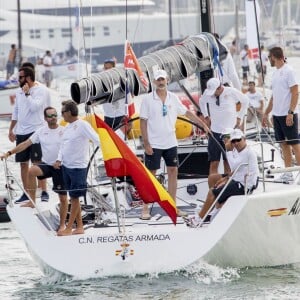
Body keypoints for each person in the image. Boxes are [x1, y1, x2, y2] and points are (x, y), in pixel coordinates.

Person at [140, 69, 209, 219]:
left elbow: (187, 113)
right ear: (154, 81)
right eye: (158, 79)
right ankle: (145, 208)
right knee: (150, 176)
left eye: (163, 79)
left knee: (173, 172)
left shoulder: (173, 97)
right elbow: (143, 121)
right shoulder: (147, 99)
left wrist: (202, 124)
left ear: (167, 80)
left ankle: (173, 206)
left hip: (171, 142)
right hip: (154, 143)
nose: (160, 82)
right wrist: (146, 143)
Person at [1, 107, 68, 233]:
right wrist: (9, 153)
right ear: (45, 119)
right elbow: (25, 144)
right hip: (47, 165)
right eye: (50, 116)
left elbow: (70, 149)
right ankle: (32, 201)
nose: (53, 117)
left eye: (55, 115)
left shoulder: (64, 131)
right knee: (32, 171)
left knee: (63, 198)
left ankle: (63, 225)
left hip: (60, 166)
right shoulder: (41, 131)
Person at [187, 129, 259, 227]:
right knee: (213, 178)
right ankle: (214, 208)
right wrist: (225, 179)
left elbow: (233, 165)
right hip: (237, 179)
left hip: (243, 185)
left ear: (244, 139)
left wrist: (228, 151)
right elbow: (236, 170)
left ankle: (199, 219)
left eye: (238, 140)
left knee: (212, 192)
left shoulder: (248, 152)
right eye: (233, 141)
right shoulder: (238, 151)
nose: (236, 143)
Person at [54, 100, 100, 236]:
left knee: (74, 198)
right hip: (66, 166)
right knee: (73, 198)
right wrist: (58, 159)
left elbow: (97, 139)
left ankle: (69, 227)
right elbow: (63, 146)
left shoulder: (82, 125)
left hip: (78, 167)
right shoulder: (67, 127)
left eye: (62, 112)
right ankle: (79, 226)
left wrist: (107, 156)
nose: (61, 115)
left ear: (69, 112)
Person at [8, 66, 51, 203]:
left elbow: (35, 107)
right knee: (23, 164)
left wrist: (27, 94)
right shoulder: (18, 91)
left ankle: (44, 191)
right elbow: (16, 111)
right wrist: (11, 130)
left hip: (36, 130)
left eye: (20, 77)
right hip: (21, 131)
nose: (18, 79)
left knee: (37, 163)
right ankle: (26, 192)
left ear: (28, 78)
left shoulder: (41, 90)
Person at [262, 47, 300, 182]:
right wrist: (266, 113)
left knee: (294, 144)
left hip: (288, 114)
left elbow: (295, 92)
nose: (268, 60)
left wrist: (290, 112)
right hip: (277, 115)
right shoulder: (276, 73)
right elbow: (274, 96)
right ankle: (289, 173)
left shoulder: (289, 71)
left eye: (269, 57)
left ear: (274, 56)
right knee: (283, 144)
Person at [199, 77, 249, 175]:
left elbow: (245, 100)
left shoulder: (230, 91)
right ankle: (213, 187)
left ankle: (228, 185)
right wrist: (206, 116)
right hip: (215, 132)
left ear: (219, 88)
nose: (212, 94)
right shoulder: (208, 93)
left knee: (228, 162)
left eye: (214, 91)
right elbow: (202, 101)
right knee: (214, 162)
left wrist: (239, 117)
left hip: (229, 133)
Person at [102, 58, 126, 129]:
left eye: (109, 68)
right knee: (107, 139)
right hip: (108, 117)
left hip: (120, 116)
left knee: (120, 139)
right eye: (106, 68)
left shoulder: (121, 80)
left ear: (114, 68)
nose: (107, 70)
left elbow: (130, 94)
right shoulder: (102, 82)